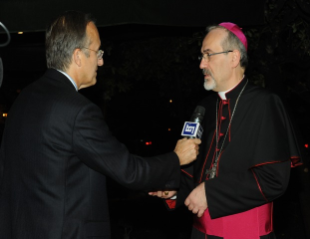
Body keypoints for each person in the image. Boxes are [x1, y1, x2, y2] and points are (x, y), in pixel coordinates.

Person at [0, 11, 201, 239]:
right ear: (78, 56)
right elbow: (128, 171)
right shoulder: (77, 110)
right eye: (98, 52)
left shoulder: (22, 100)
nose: (101, 61)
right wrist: (176, 158)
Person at [149, 22, 302, 239]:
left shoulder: (265, 103)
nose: (202, 64)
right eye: (201, 56)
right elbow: (193, 170)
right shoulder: (204, 107)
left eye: (209, 55)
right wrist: (173, 189)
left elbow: (273, 179)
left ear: (234, 57)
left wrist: (210, 193)